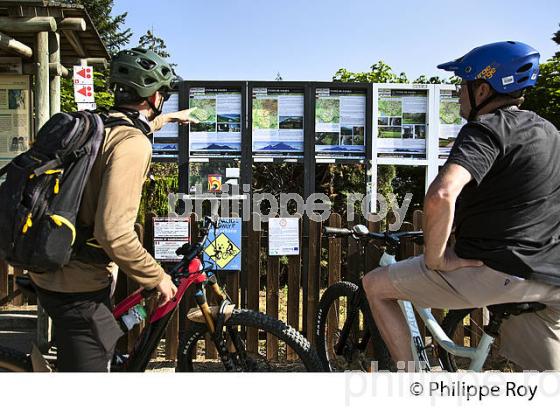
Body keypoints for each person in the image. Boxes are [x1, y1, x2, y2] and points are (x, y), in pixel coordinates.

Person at [362, 41, 560, 371]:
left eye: (462, 84)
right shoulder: (551, 133)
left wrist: (437, 257)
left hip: (496, 270)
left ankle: (413, 386)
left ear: (483, 89)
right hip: (550, 277)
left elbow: (441, 194)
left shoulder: (485, 129)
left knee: (375, 285)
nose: (458, 93)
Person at [30, 48, 195, 372]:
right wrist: (157, 277)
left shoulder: (99, 125)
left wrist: (172, 118)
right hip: (77, 285)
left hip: (50, 265)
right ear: (153, 96)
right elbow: (113, 232)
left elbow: (140, 127)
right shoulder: (132, 143)